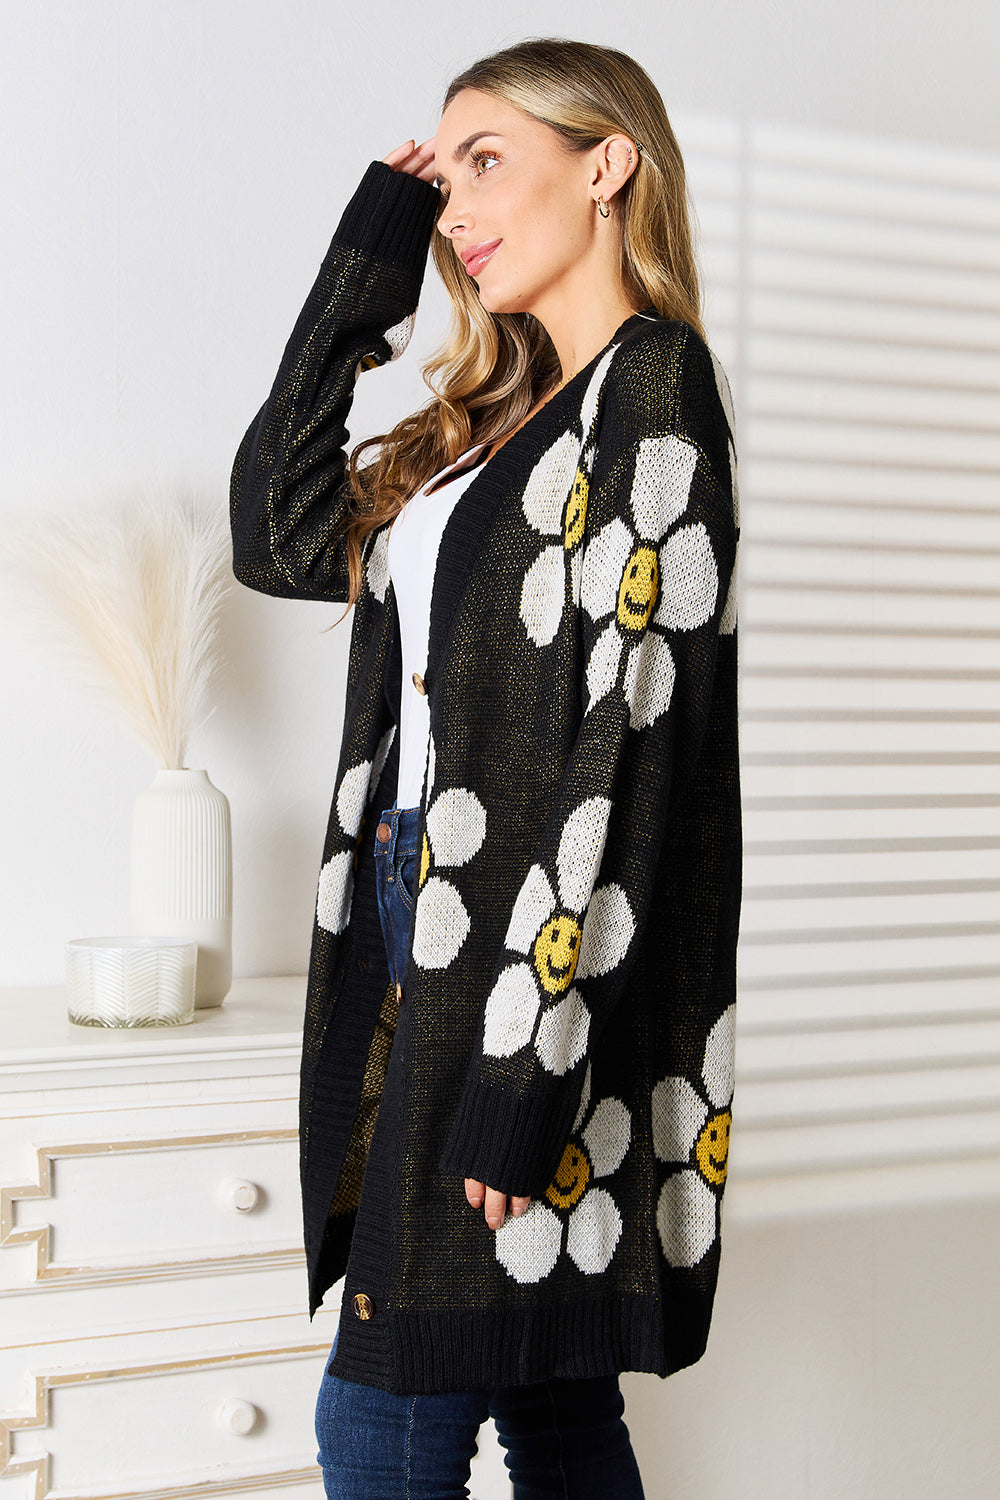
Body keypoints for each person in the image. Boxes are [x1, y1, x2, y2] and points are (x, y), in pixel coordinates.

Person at [230, 35, 741, 1500]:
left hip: (523, 952)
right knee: (552, 1400)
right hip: (421, 910)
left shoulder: (653, 388)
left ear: (608, 165)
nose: (456, 205)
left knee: (388, 1409)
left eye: (487, 164)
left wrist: (534, 1063)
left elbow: (632, 745)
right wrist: (368, 258)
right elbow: (277, 527)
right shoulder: (502, 420)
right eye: (441, 178)